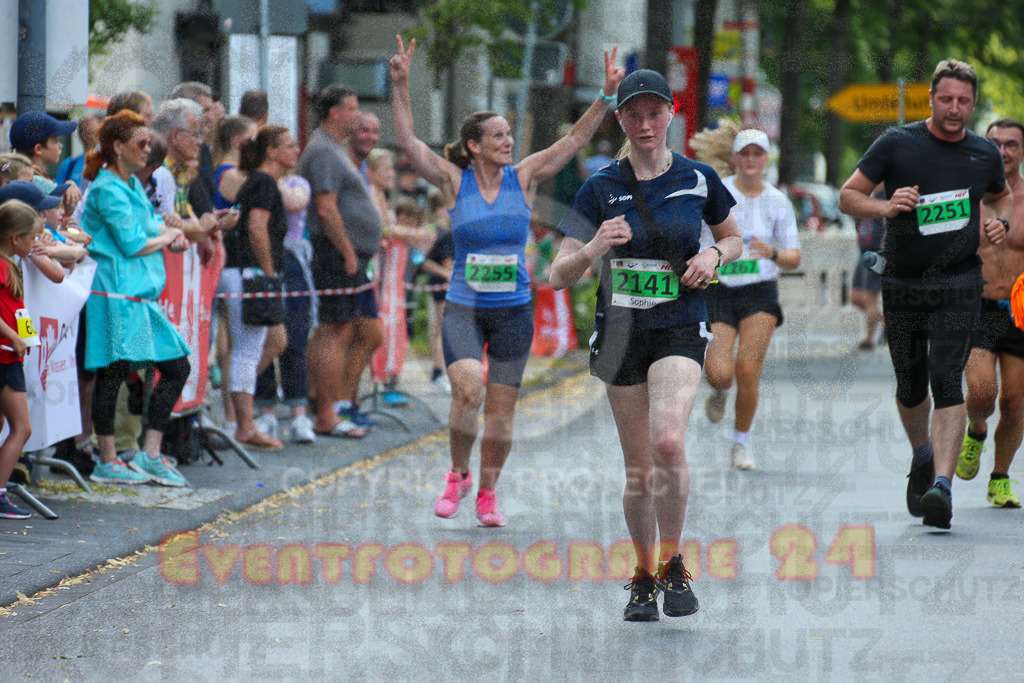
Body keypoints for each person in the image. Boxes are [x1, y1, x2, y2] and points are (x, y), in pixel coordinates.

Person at [391, 36, 625, 527]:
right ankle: (458, 475)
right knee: (467, 391)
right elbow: (410, 144)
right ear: (475, 145)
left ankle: (488, 493)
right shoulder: (456, 182)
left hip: (513, 309)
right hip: (463, 308)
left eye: (508, 134)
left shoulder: (526, 177)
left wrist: (605, 96)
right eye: (497, 136)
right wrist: (400, 86)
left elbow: (575, 140)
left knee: (500, 414)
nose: (507, 141)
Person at [549, 68, 741, 621]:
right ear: (621, 121)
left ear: (671, 114)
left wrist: (712, 256)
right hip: (620, 334)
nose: (645, 124)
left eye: (654, 113)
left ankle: (674, 560)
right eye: (633, 115)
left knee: (668, 441)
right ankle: (641, 572)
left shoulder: (700, 178)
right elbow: (558, 274)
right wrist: (593, 248)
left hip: (680, 321)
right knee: (638, 468)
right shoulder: (598, 187)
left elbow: (733, 237)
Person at [838, 59, 1012, 530]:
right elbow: (848, 196)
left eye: (963, 101)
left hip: (960, 281)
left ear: (973, 104)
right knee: (911, 384)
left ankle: (942, 486)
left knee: (946, 376)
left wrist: (1000, 222)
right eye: (946, 99)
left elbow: (1000, 197)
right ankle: (922, 455)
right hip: (903, 281)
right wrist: (886, 205)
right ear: (931, 100)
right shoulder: (898, 143)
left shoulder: (983, 153)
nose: (954, 108)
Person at [81, 110, 192, 487]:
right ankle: (107, 460)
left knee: (176, 367)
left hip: (137, 297)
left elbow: (150, 228)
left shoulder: (128, 185)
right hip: (114, 295)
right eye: (141, 143)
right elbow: (132, 244)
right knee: (113, 373)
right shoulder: (106, 188)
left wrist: (168, 235)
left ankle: (150, 454)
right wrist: (167, 238)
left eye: (149, 142)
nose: (149, 149)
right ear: (117, 147)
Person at [700, 128, 801, 471]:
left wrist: (771, 252)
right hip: (720, 289)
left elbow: (794, 257)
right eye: (745, 154)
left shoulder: (778, 201)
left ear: (766, 159)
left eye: (758, 154)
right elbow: (700, 240)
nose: (751, 160)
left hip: (759, 291)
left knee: (748, 369)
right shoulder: (719, 193)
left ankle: (740, 445)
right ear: (735, 158)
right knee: (719, 373)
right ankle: (718, 391)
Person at [296, 85, 382, 438]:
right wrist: (347, 251)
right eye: (351, 109)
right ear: (333, 112)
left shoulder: (333, 150)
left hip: (345, 252)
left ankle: (328, 404)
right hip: (334, 252)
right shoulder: (324, 152)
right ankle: (326, 412)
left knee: (344, 330)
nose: (357, 115)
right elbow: (326, 207)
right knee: (334, 330)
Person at [956, 118, 1024, 508]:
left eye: (1012, 144)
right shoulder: (968, 196)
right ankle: (976, 429)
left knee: (1015, 402)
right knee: (982, 392)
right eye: (995, 143)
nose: (1003, 151)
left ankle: (1000, 478)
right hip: (977, 308)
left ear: (1022, 151)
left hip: (1018, 310)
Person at [220, 126, 297, 450]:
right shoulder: (264, 182)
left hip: (246, 272)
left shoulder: (262, 182)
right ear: (272, 151)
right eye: (290, 145)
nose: (296, 151)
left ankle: (238, 406)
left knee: (275, 341)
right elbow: (256, 227)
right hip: (249, 273)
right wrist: (269, 274)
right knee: (248, 350)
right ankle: (242, 424)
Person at [252, 166, 319, 445]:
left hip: (292, 261)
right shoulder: (258, 181)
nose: (293, 153)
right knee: (264, 338)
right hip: (262, 257)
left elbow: (295, 201)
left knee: (294, 341)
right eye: (287, 146)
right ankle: (265, 412)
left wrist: (271, 182)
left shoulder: (296, 181)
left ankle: (298, 415)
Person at [0, 200, 41, 519]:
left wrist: (23, 335)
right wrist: (14, 337)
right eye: (31, 237)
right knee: (22, 428)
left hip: (10, 355)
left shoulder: (10, 264)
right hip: (4, 357)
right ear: (15, 238)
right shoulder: (3, 265)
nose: (34, 243)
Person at [8, 111, 83, 212]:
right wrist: (67, 189)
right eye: (55, 141)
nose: (61, 146)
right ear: (38, 149)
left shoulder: (19, 172)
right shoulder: (33, 180)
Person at [423, 191, 455, 394]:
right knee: (444, 331)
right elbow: (447, 264)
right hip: (444, 287)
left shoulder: (430, 230)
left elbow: (421, 260)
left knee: (440, 330)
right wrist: (446, 273)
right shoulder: (443, 233)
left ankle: (439, 373)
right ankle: (438, 374)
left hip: (438, 284)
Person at [850, 188, 886, 350]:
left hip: (876, 252)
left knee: (870, 297)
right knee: (855, 296)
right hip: (863, 251)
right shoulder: (865, 193)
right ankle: (888, 323)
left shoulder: (885, 195)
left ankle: (869, 339)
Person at [55, 115, 101, 189]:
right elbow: (57, 192)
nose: (92, 137)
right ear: (80, 135)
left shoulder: (109, 163)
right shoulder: (69, 163)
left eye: (95, 132)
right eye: (88, 133)